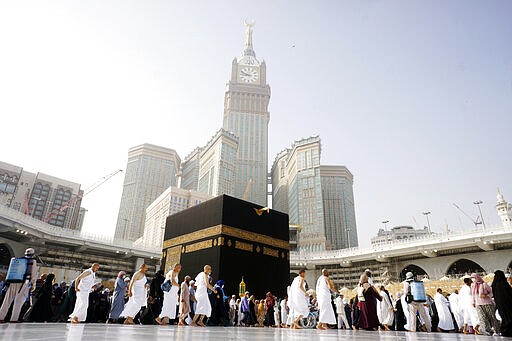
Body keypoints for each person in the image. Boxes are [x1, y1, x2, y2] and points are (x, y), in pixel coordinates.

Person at [0, 248, 38, 323]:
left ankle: (1, 317)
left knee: (7, 300)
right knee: (19, 301)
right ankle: (14, 319)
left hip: (12, 281)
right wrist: (34, 284)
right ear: (33, 254)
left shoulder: (18, 260)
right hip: (23, 283)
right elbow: (33, 274)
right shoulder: (32, 261)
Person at [492, 270, 512, 337]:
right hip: (507, 304)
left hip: (500, 305)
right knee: (509, 318)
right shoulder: (504, 283)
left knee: (504, 318)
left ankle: (504, 331)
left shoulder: (494, 284)